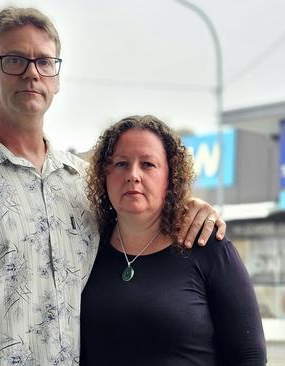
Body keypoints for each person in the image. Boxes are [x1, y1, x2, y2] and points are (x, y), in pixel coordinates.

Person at [0, 8, 224, 365]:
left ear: (56, 79)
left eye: (44, 62)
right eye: (14, 60)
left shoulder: (85, 185)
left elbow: (142, 224)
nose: (31, 73)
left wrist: (192, 208)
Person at [80, 115, 267, 365]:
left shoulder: (206, 246)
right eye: (121, 164)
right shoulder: (87, 245)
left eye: (148, 164)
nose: (133, 175)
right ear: (104, 175)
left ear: (170, 178)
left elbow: (249, 357)